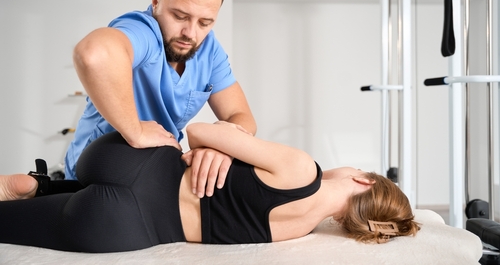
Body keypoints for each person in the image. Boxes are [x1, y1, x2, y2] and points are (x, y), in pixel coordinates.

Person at [0, 122, 419, 253]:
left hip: (135, 161)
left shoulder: (303, 169)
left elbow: (197, 129)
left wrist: (212, 148)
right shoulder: (299, 231)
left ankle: (41, 186)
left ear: (362, 180)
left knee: (158, 140)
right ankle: (45, 195)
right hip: (124, 227)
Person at [64, 0, 256, 198]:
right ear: (155, 1)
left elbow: (241, 116)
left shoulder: (209, 49)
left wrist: (223, 144)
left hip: (152, 173)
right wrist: (136, 131)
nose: (190, 33)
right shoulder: (143, 31)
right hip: (95, 174)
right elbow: (93, 54)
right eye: (179, 16)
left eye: (205, 22)